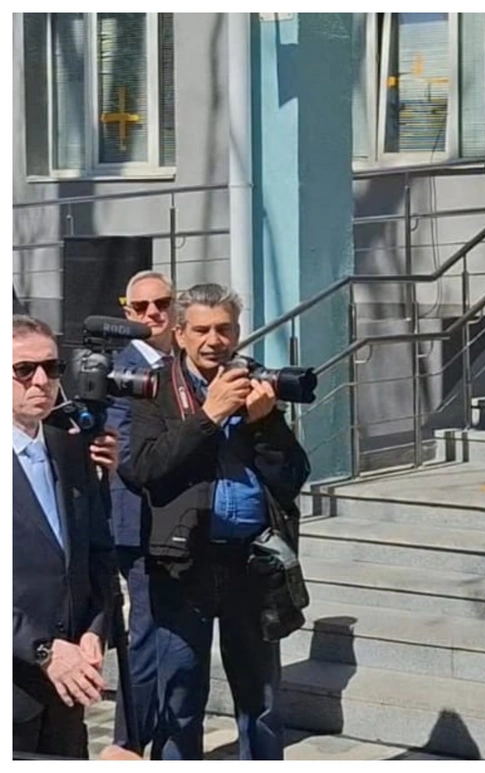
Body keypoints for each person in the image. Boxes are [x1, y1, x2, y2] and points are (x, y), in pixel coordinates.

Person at [126, 283, 310, 760]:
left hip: (252, 561)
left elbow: (292, 477)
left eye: (224, 329)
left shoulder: (255, 381)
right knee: (181, 694)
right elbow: (142, 468)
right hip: (183, 563)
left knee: (261, 700)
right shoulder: (155, 388)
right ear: (180, 335)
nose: (214, 341)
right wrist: (209, 415)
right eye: (202, 330)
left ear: (238, 332)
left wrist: (266, 424)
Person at [12, 314, 120, 759]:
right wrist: (42, 650)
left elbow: (97, 552)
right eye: (23, 370)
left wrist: (96, 627)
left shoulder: (70, 448)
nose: (41, 381)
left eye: (52, 367)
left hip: (67, 692)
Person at [106, 270, 176, 757]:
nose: (153, 313)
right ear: (127, 313)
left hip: (181, 524)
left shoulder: (183, 363)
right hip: (139, 523)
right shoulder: (120, 372)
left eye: (162, 303)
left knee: (171, 636)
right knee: (146, 634)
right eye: (142, 307)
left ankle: (169, 737)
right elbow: (125, 457)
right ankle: (128, 741)